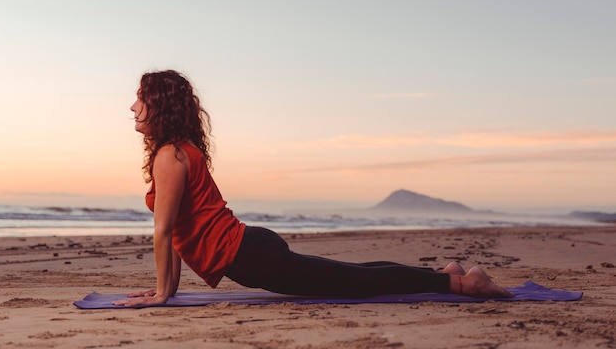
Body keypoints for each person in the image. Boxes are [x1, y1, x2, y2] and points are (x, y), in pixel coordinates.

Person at [114, 70, 514, 307]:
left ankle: (461, 283)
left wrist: (164, 294)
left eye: (139, 99)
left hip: (252, 257)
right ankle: (446, 274)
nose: (132, 107)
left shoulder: (171, 156)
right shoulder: (177, 152)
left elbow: (166, 231)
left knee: (354, 284)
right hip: (251, 250)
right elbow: (181, 232)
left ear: (159, 105)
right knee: (350, 275)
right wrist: (166, 289)